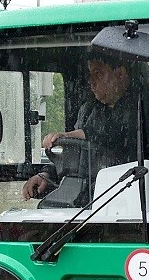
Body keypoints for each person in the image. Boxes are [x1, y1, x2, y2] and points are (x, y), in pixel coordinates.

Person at [23, 52, 142, 200]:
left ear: (120, 74)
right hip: (86, 198)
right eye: (90, 74)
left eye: (97, 74)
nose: (90, 81)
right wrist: (46, 174)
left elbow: (115, 136)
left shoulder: (140, 108)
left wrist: (69, 135)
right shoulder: (88, 110)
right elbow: (76, 155)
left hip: (126, 194)